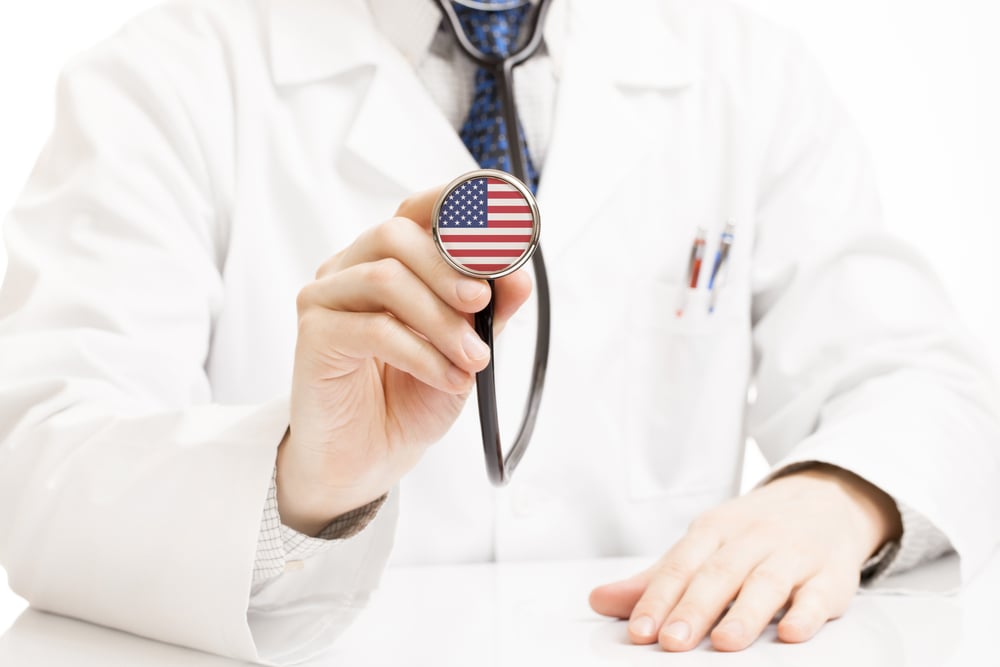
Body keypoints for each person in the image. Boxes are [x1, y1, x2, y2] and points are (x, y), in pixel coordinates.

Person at [0, 0, 997, 663]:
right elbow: (42, 465)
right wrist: (300, 481)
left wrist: (833, 495)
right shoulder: (163, 79)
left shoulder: (741, 68)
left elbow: (920, 380)